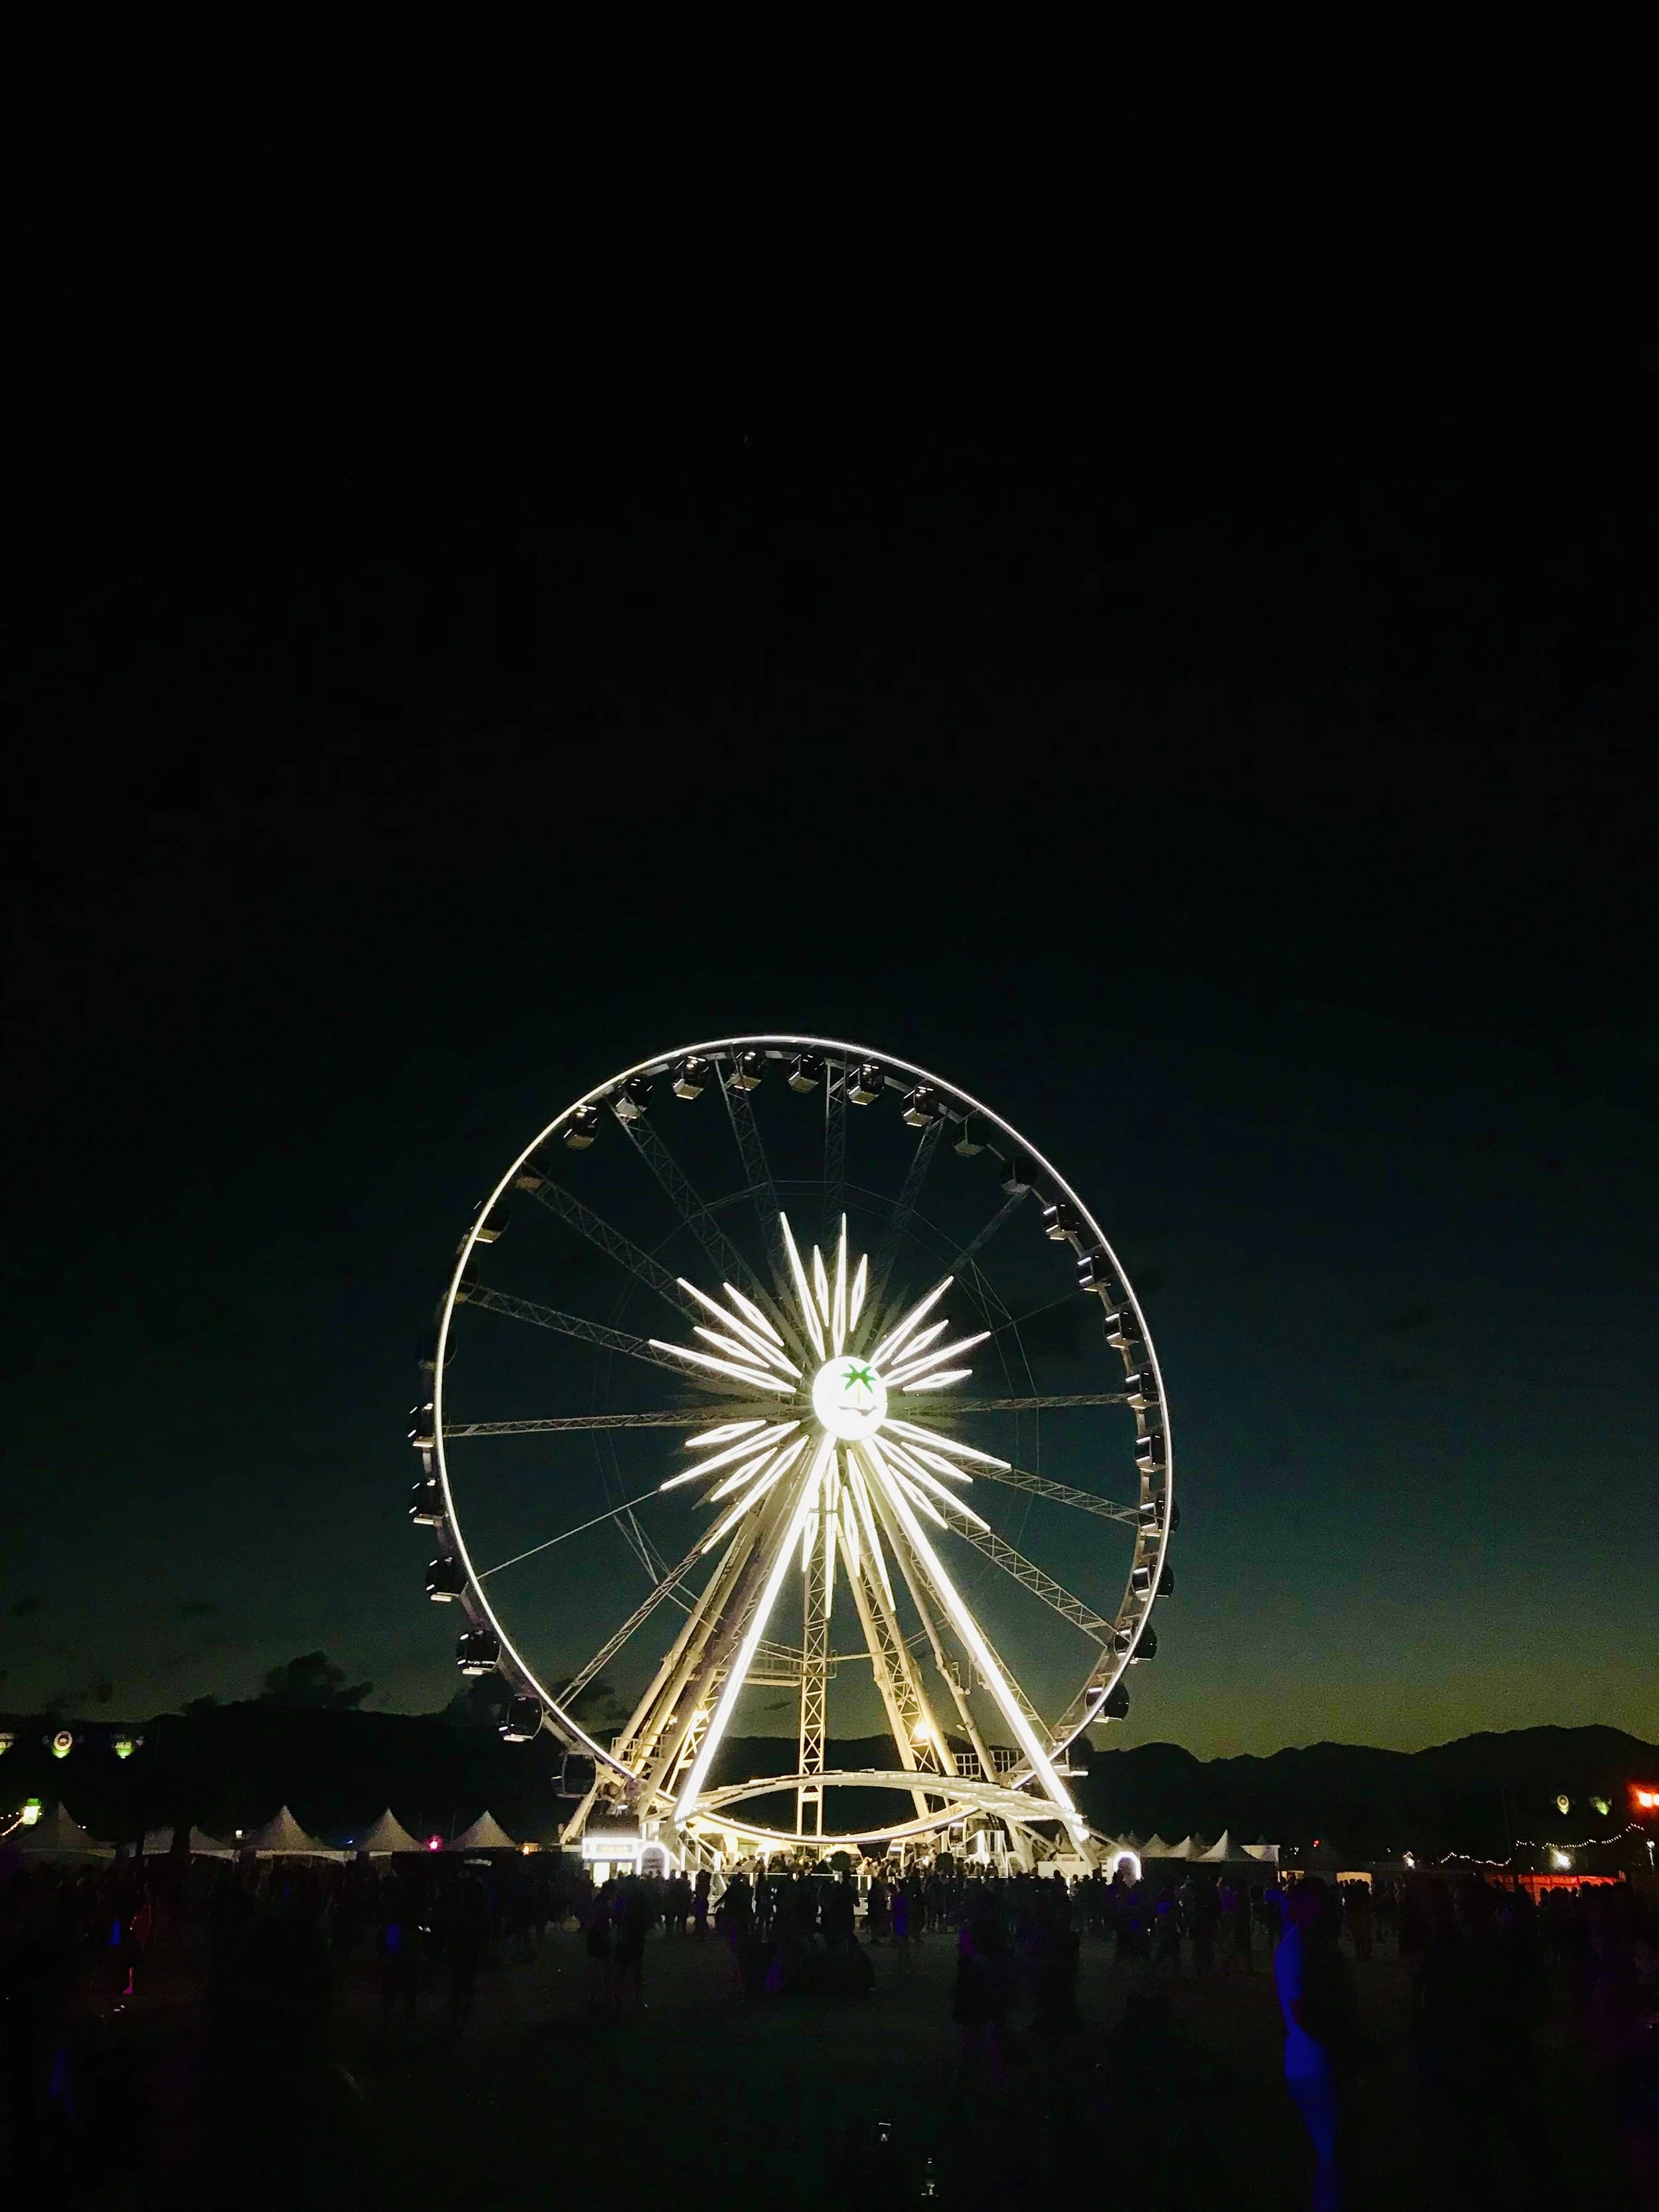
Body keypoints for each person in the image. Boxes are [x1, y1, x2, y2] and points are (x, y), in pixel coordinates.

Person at [1275, 1879, 1346, 2211]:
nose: (1331, 1909)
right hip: (1314, 2065)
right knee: (1330, 2155)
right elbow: (1302, 2013)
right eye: (1323, 1902)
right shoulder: (1297, 1949)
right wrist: (1347, 2044)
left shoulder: (1315, 1945)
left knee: (1333, 2152)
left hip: (1319, 2062)